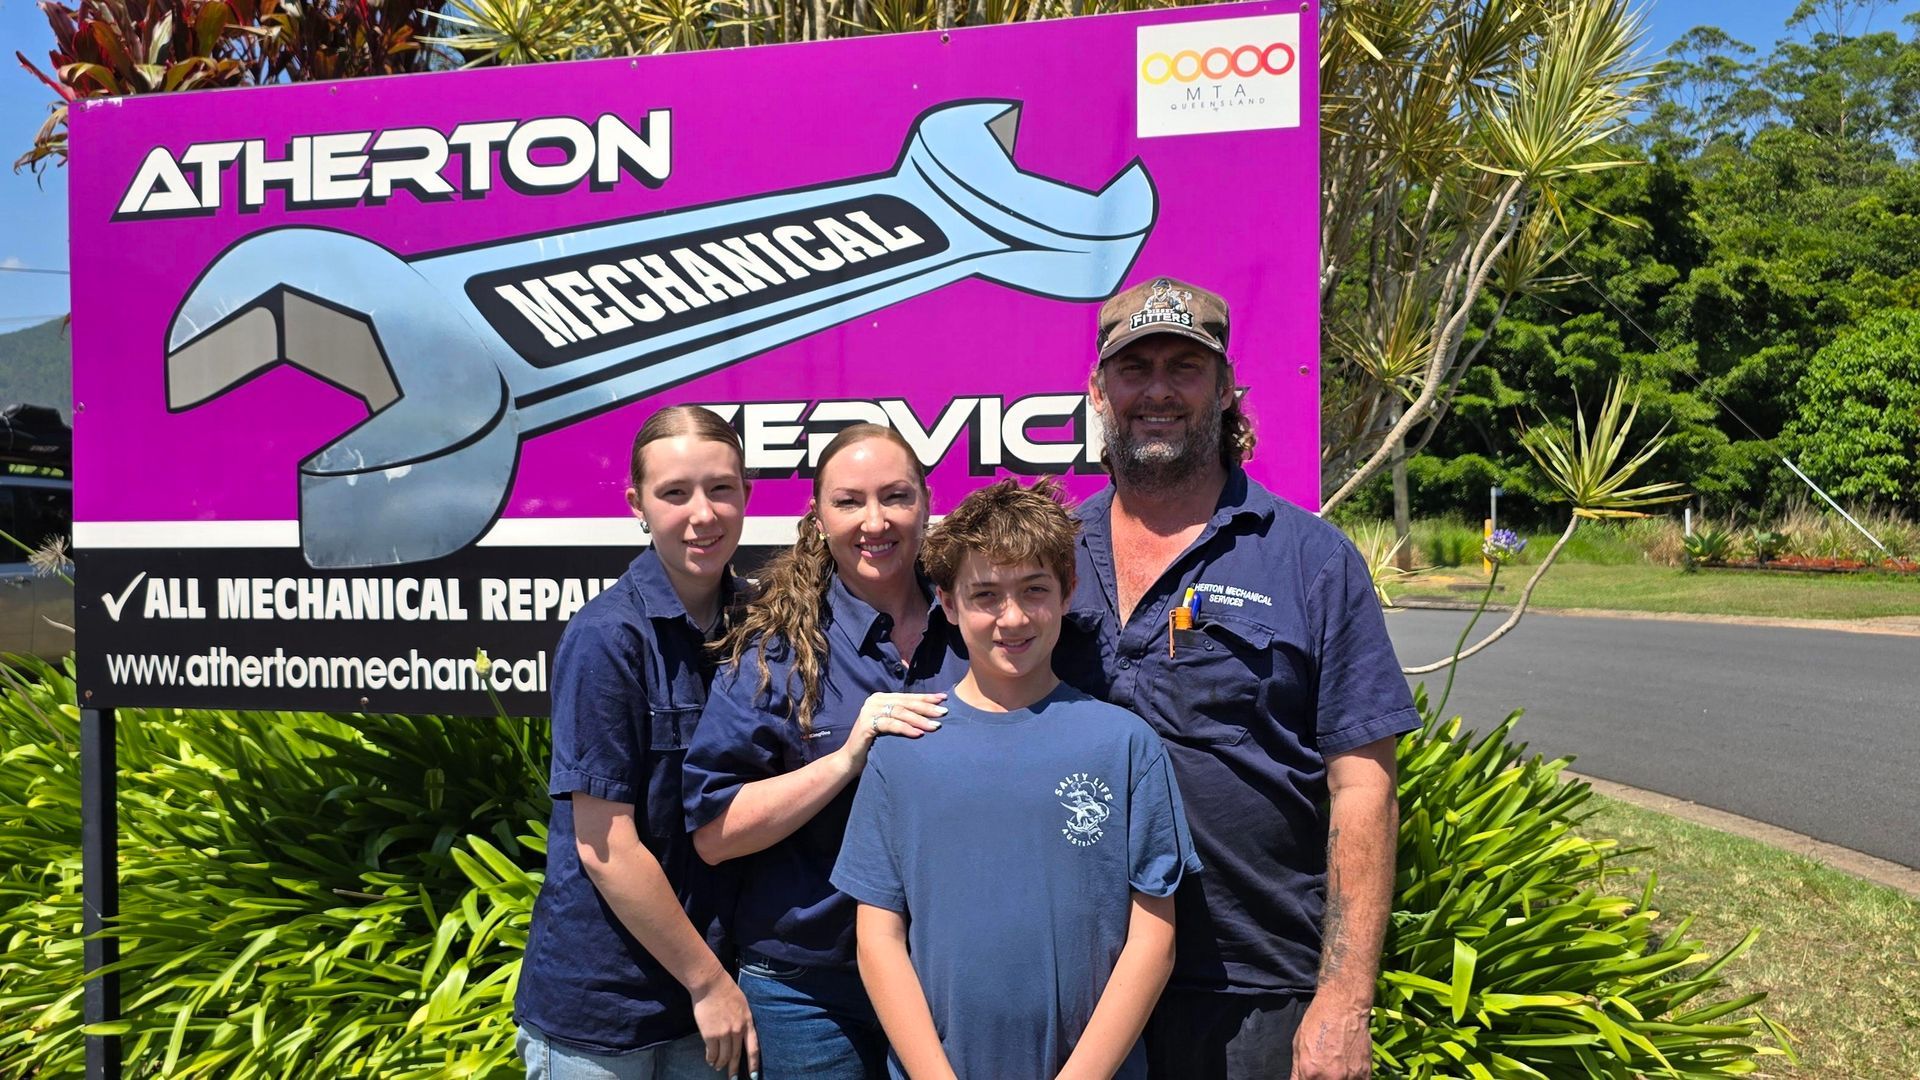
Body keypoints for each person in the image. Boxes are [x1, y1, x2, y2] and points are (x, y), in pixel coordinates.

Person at [1055, 277, 1421, 1080]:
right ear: (1098, 390)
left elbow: (1365, 789)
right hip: (1071, 982)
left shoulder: (1310, 561)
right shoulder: (1047, 556)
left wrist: (1345, 999)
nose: (1156, 390)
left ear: (1225, 389)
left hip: (1251, 992)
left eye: (1183, 368)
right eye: (1134, 367)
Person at [832, 478, 1202, 1080]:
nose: (1013, 617)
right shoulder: (904, 751)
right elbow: (876, 940)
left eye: (1034, 590)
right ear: (948, 605)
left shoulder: (1125, 746)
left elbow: (1153, 940)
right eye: (985, 595)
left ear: (1067, 592)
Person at [684, 423, 967, 1080]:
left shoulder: (975, 623)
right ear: (817, 519)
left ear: (925, 503)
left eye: (895, 496)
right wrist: (844, 760)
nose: (876, 520)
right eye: (850, 501)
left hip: (945, 971)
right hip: (809, 985)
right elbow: (714, 833)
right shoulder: (778, 649)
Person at [515, 405, 760, 1080]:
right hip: (608, 1016)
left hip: (711, 1003)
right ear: (637, 505)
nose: (702, 514)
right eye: (674, 493)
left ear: (747, 494)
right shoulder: (609, 637)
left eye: (720, 488)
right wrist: (709, 983)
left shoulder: (757, 629)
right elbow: (606, 847)